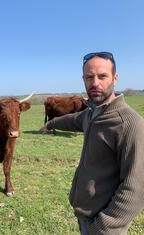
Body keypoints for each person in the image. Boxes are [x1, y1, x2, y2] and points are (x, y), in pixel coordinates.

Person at [41, 52, 144, 235]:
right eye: (89, 77)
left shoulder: (129, 124)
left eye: (102, 76)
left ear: (115, 78)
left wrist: (102, 228)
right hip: (85, 215)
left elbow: (135, 188)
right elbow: (72, 120)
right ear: (83, 79)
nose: (95, 83)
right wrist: (50, 124)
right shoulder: (91, 114)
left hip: (103, 226)